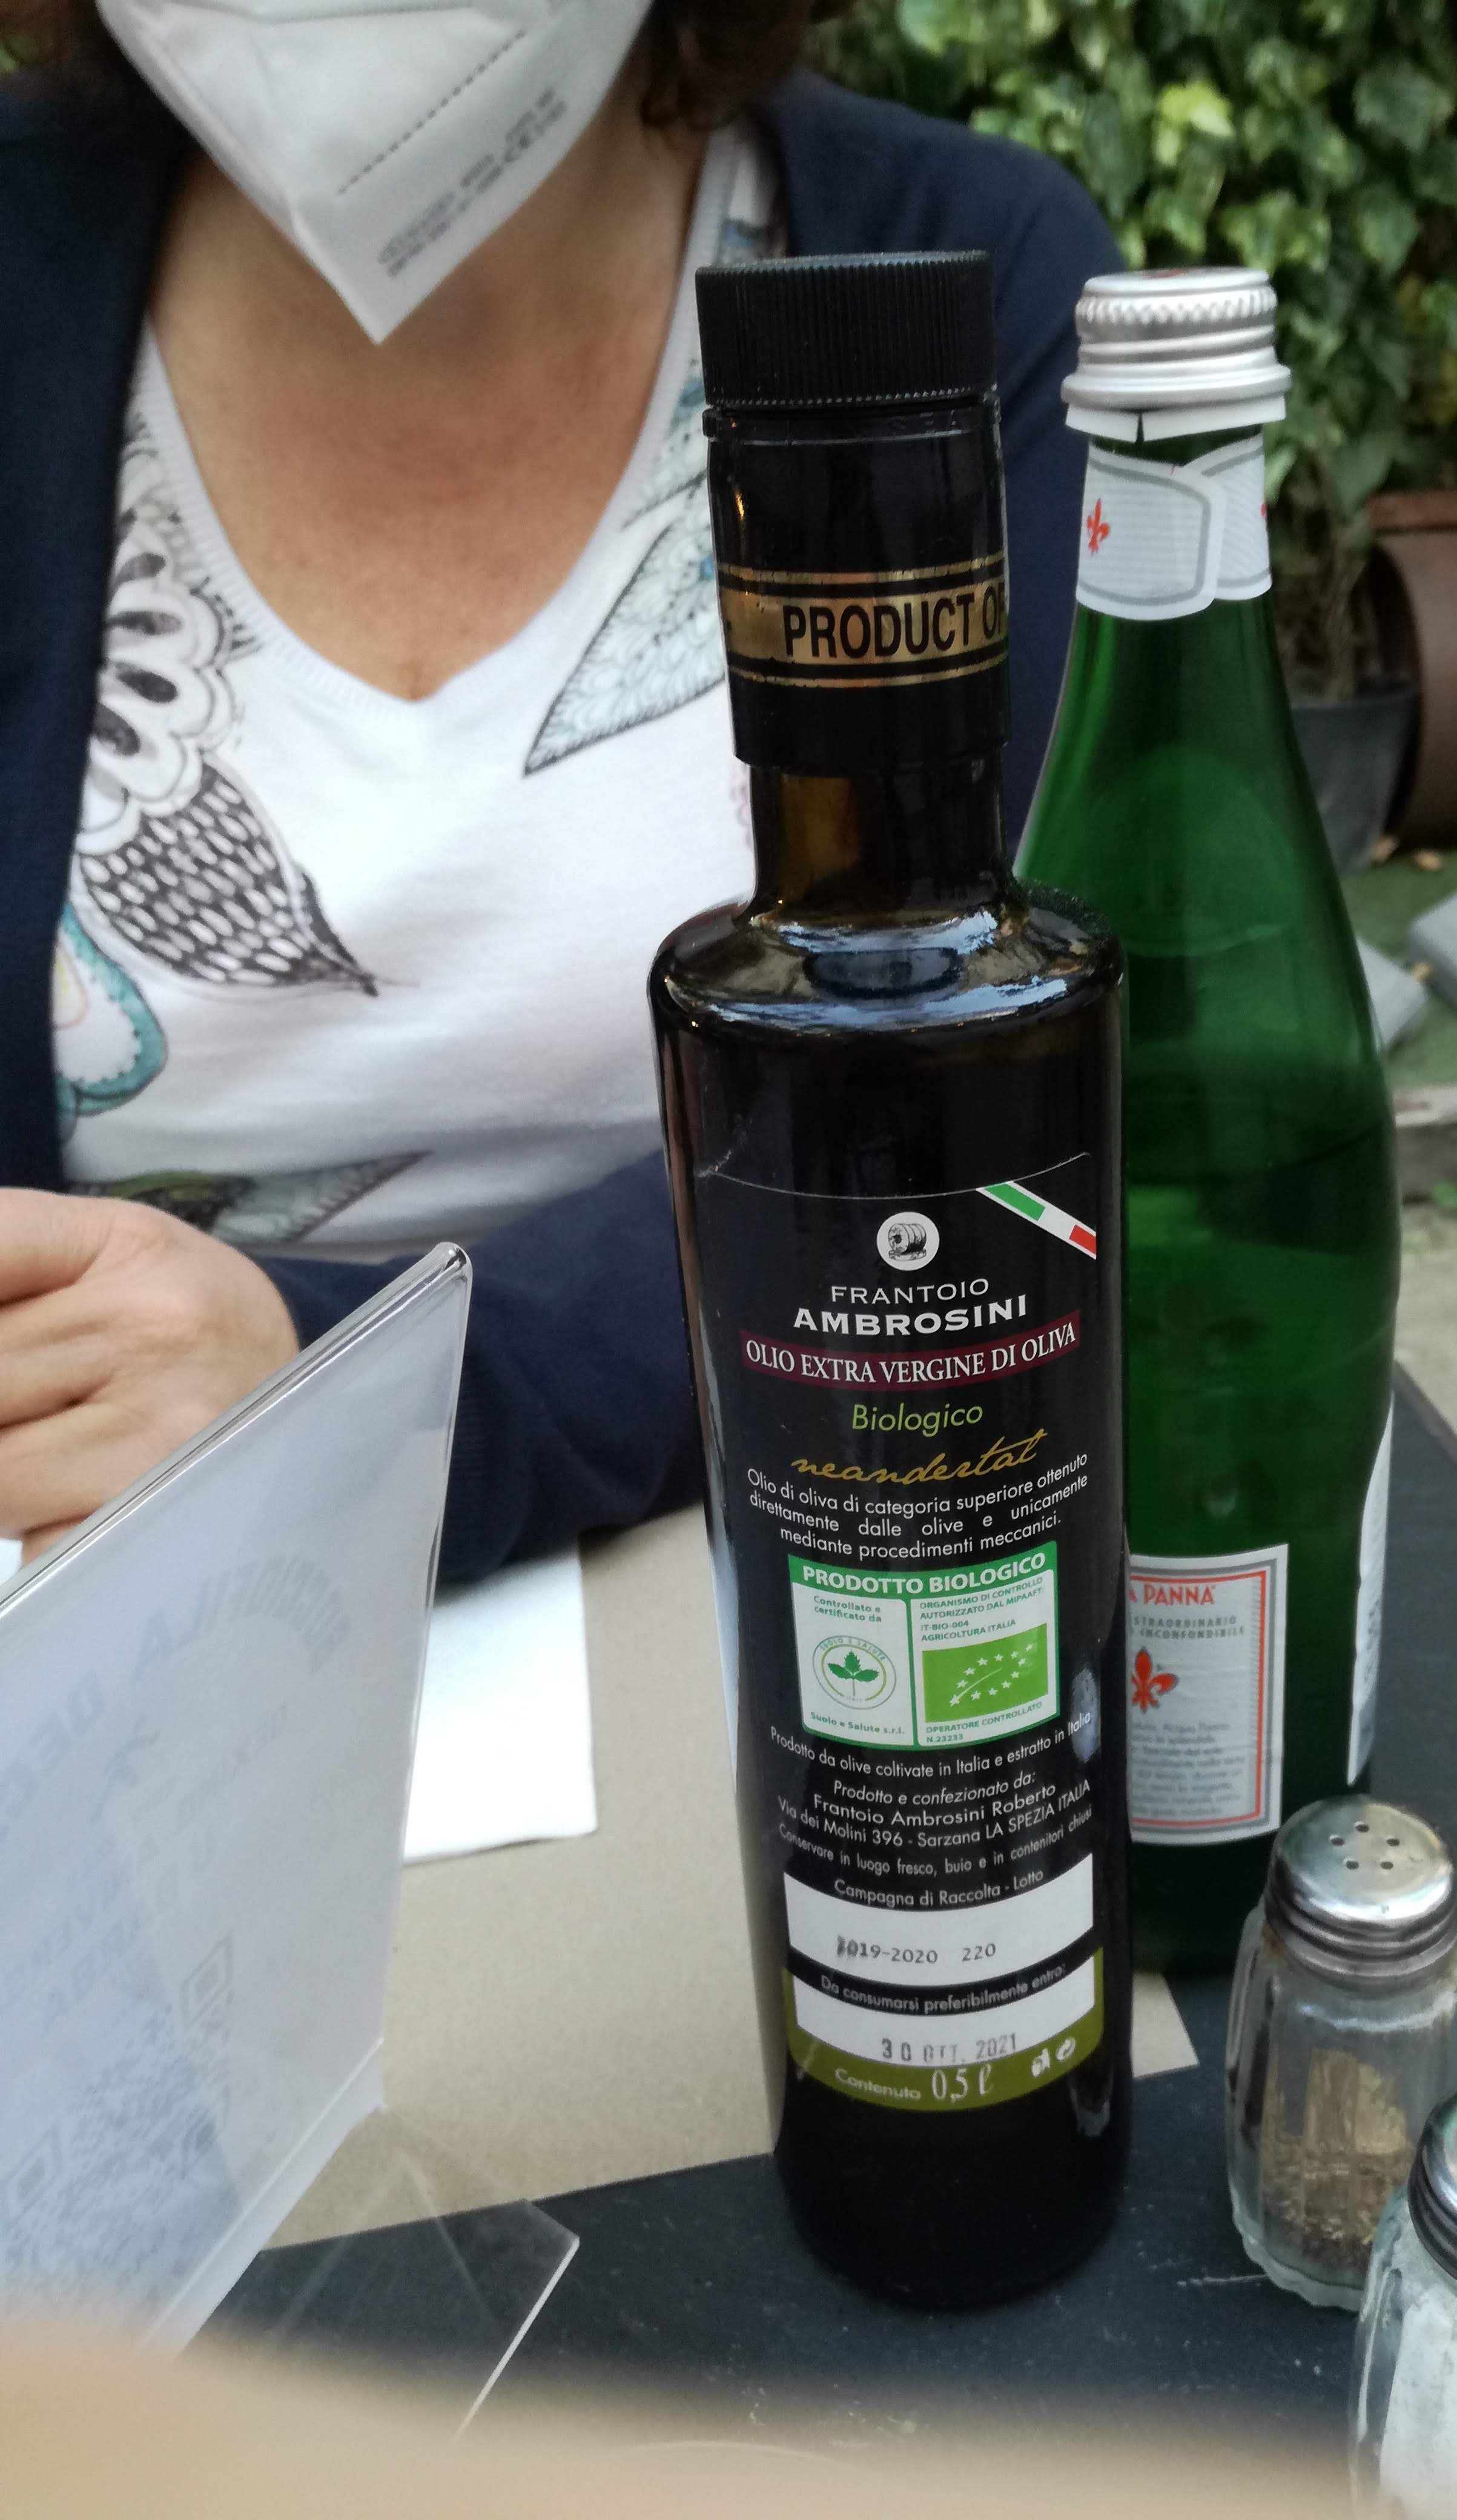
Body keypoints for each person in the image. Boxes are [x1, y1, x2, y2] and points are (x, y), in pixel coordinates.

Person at [0, 0, 1118, 1580]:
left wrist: (355, 1400)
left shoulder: (967, 272)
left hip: (803, 1550)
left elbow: (1037, 1112)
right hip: (107, 1595)